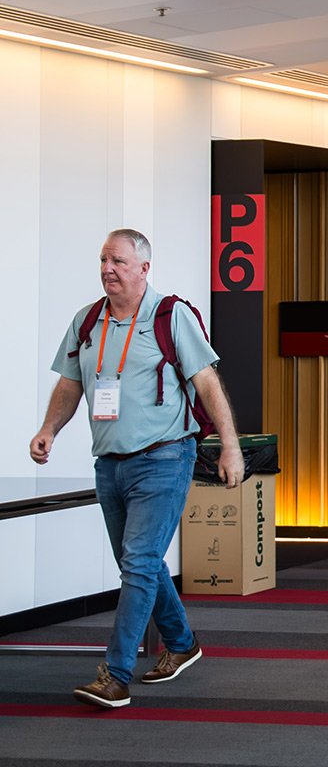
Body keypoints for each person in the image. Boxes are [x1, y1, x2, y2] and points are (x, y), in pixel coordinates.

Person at [30, 229, 244, 709]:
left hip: (165, 457)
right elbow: (71, 384)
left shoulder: (171, 316)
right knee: (140, 563)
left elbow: (208, 384)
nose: (108, 269)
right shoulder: (87, 321)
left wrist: (231, 447)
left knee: (139, 562)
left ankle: (115, 674)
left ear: (144, 268)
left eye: (119, 262)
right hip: (109, 463)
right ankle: (183, 643)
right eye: (104, 260)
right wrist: (50, 429)